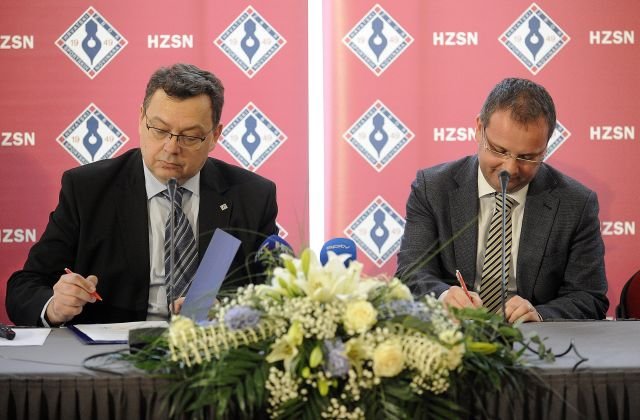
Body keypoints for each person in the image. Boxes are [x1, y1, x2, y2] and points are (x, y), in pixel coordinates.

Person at [6, 63, 279, 326]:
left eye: (189, 137)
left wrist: (232, 311)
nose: (171, 147)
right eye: (159, 130)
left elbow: (277, 293)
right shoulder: (88, 190)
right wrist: (55, 306)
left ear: (215, 136)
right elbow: (25, 286)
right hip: (112, 351)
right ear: (141, 119)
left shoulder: (251, 196)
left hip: (211, 348)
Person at [395, 78, 608, 322]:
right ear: (479, 129)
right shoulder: (432, 188)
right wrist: (443, 297)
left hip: (533, 340)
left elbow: (589, 297)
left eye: (527, 157)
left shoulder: (576, 203)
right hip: (453, 335)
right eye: (499, 150)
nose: (510, 169)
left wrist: (540, 315)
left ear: (545, 148)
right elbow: (410, 273)